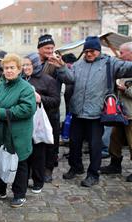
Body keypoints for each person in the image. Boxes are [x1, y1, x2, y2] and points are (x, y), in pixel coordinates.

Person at [50, 36, 132, 187]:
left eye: (92, 51)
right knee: (74, 143)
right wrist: (61, 67)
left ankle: (93, 174)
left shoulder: (110, 63)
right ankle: (76, 167)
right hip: (77, 112)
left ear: (98, 51)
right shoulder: (78, 64)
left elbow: (127, 68)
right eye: (86, 51)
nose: (89, 54)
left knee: (95, 146)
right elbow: (69, 79)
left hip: (96, 114)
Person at [0, 53, 36, 207]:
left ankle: (19, 194)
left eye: (12, 68)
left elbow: (28, 109)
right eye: (6, 68)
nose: (8, 71)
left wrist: (0, 113)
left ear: (19, 69)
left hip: (17, 134)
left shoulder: (26, 88)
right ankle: (0, 190)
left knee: (19, 161)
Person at [22, 53, 60, 193]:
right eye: (23, 65)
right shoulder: (21, 79)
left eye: (28, 65)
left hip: (40, 123)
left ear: (35, 65)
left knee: (38, 153)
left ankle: (38, 181)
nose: (25, 68)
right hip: (24, 122)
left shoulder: (48, 80)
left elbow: (56, 101)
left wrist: (40, 98)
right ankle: (23, 181)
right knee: (24, 153)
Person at [37, 34, 68, 182]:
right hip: (36, 109)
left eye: (52, 48)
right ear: (39, 49)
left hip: (52, 108)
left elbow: (70, 79)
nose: (50, 50)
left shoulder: (56, 63)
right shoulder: (34, 62)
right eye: (47, 48)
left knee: (52, 141)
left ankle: (48, 169)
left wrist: (61, 66)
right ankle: (37, 168)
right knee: (37, 140)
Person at [100, 41, 132, 182]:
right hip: (119, 113)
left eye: (122, 52)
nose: (120, 54)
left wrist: (126, 89)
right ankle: (115, 164)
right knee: (115, 139)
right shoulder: (121, 68)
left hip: (131, 113)